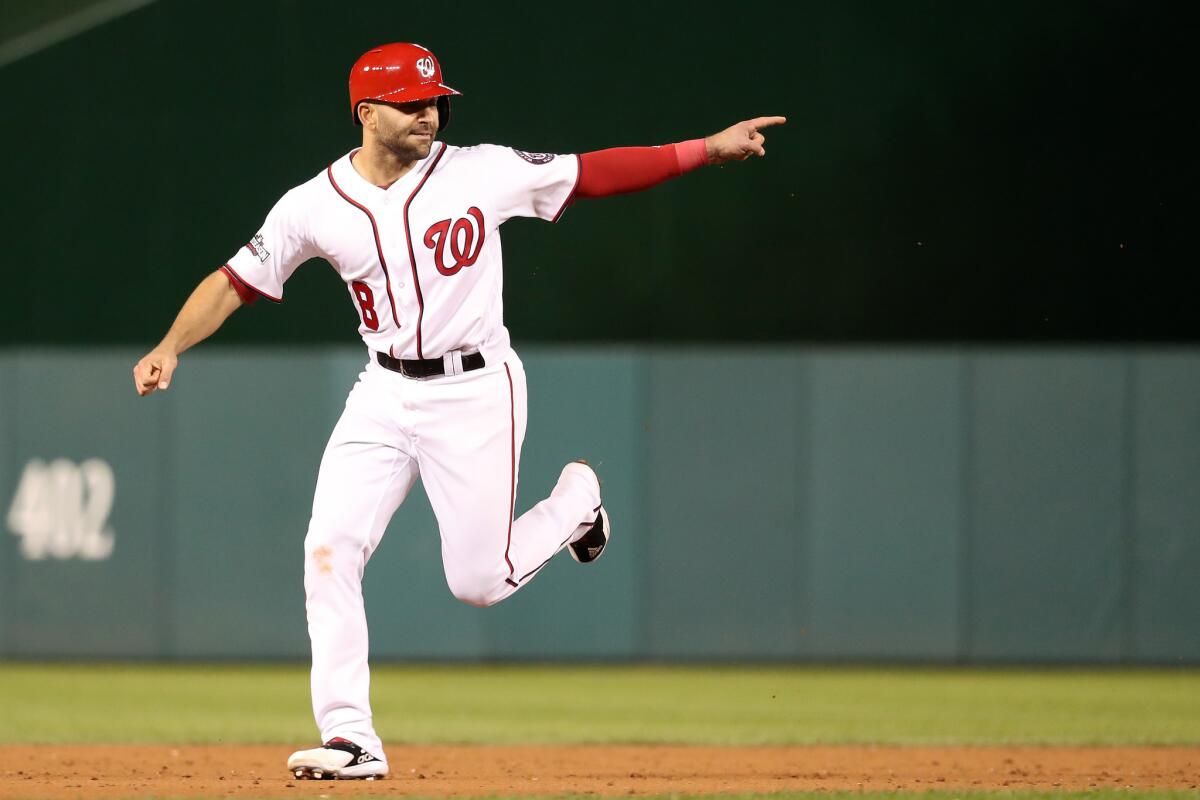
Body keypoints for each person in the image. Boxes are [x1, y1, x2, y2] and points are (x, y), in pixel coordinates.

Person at [132, 42, 784, 780]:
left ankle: (577, 500)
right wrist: (170, 346)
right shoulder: (311, 204)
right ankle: (352, 738)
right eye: (412, 103)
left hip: (474, 390)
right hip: (381, 392)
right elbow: (234, 281)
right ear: (366, 111)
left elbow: (592, 172)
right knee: (328, 550)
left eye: (436, 100)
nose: (429, 113)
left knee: (478, 581)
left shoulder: (481, 171)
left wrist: (705, 149)